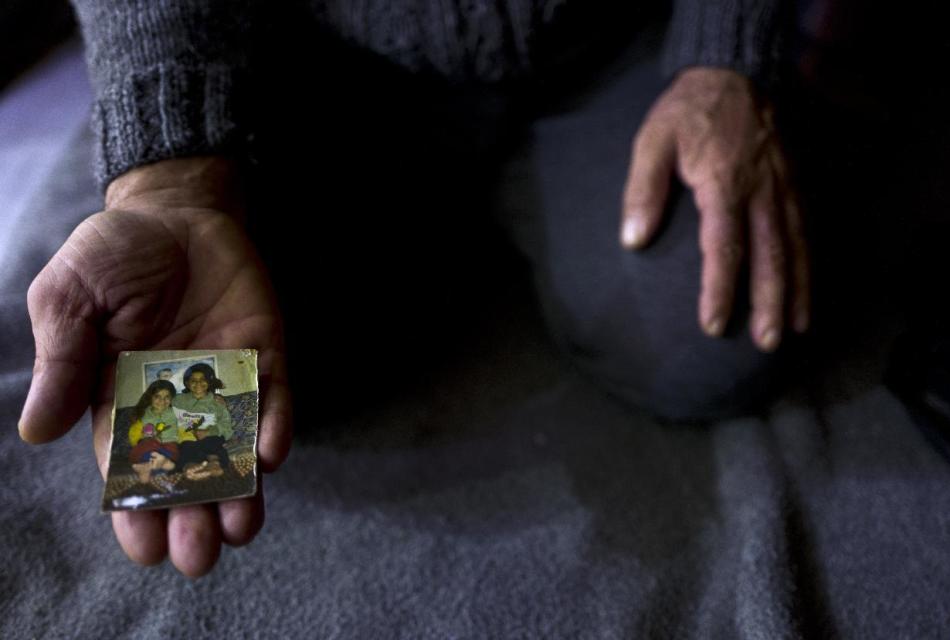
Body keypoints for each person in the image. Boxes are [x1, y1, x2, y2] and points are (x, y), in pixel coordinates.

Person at [17, 1, 807, 577]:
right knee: (259, 368)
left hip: (602, 39)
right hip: (332, 47)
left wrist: (727, 58)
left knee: (710, 337)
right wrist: (172, 180)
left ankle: (508, 196)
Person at [173, 363, 234, 476]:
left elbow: (227, 428)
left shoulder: (216, 402)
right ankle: (191, 468)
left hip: (210, 439)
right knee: (186, 446)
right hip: (187, 440)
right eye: (193, 380)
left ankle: (214, 464)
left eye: (203, 379)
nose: (198, 383)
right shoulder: (177, 400)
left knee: (212, 441)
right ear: (187, 383)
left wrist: (208, 432)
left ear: (209, 382)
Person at [127, 380, 180, 484]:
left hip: (169, 445)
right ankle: (162, 466)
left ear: (172, 398)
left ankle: (148, 469)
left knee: (170, 450)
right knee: (149, 445)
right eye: (157, 396)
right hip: (148, 446)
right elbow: (134, 433)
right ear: (150, 397)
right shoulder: (143, 414)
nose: (162, 400)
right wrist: (141, 439)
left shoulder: (176, 413)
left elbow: (185, 428)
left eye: (167, 397)